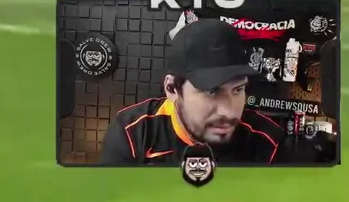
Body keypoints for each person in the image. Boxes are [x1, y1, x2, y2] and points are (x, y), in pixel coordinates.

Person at [98, 18, 283, 165]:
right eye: (211, 91)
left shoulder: (268, 142)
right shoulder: (133, 134)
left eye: (238, 89)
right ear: (172, 89)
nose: (228, 111)